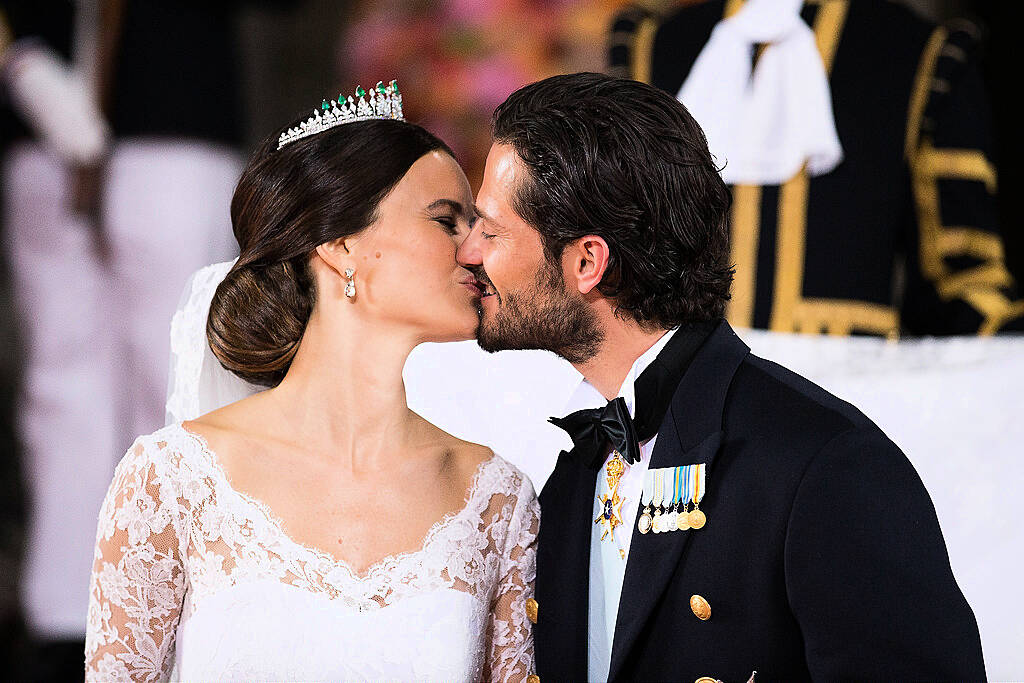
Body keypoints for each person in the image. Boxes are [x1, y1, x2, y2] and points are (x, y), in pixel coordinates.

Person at [455, 72, 985, 680]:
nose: (470, 252)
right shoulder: (573, 473)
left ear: (586, 262)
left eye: (491, 230)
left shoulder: (823, 465)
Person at [84, 83, 538, 681]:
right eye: (445, 220)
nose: (475, 249)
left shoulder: (497, 499)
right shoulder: (171, 480)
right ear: (341, 243)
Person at [609, 0, 1023, 337]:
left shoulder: (920, 51)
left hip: (856, 395)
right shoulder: (653, 47)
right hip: (680, 402)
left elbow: (963, 281)